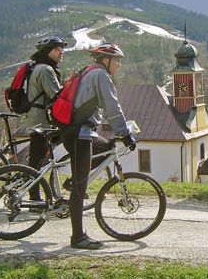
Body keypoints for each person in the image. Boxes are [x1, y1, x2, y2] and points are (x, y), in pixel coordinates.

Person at [61, 42, 136, 250]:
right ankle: (77, 238)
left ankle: (71, 182)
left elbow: (99, 105)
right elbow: (113, 106)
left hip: (79, 131)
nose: (119, 65)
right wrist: (125, 134)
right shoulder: (102, 75)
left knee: (105, 149)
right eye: (117, 61)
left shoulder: (89, 71)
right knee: (79, 188)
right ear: (106, 60)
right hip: (79, 134)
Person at [24, 36, 66, 201]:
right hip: (40, 120)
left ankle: (31, 188)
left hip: (39, 118)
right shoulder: (45, 70)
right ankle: (33, 196)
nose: (61, 52)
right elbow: (56, 95)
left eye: (62, 48)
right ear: (48, 52)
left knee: (38, 156)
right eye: (57, 49)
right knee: (37, 159)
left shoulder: (43, 67)